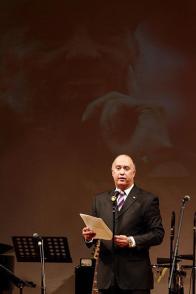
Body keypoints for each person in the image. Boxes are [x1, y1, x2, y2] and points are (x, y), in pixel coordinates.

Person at [82, 154, 164, 294]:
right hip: (107, 278)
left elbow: (158, 234)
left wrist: (131, 241)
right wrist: (89, 237)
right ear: (112, 172)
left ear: (134, 172)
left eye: (126, 168)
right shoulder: (99, 200)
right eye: (118, 168)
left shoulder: (147, 200)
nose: (122, 172)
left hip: (135, 279)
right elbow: (94, 236)